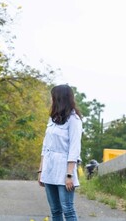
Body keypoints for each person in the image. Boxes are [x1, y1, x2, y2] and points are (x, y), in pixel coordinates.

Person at [38, 84, 83, 221]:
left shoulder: (74, 120)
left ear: (59, 98)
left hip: (64, 169)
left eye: (52, 97)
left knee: (67, 209)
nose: (51, 100)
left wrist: (69, 175)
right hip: (50, 168)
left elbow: (74, 148)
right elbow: (45, 146)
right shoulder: (53, 119)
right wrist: (41, 171)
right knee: (55, 210)